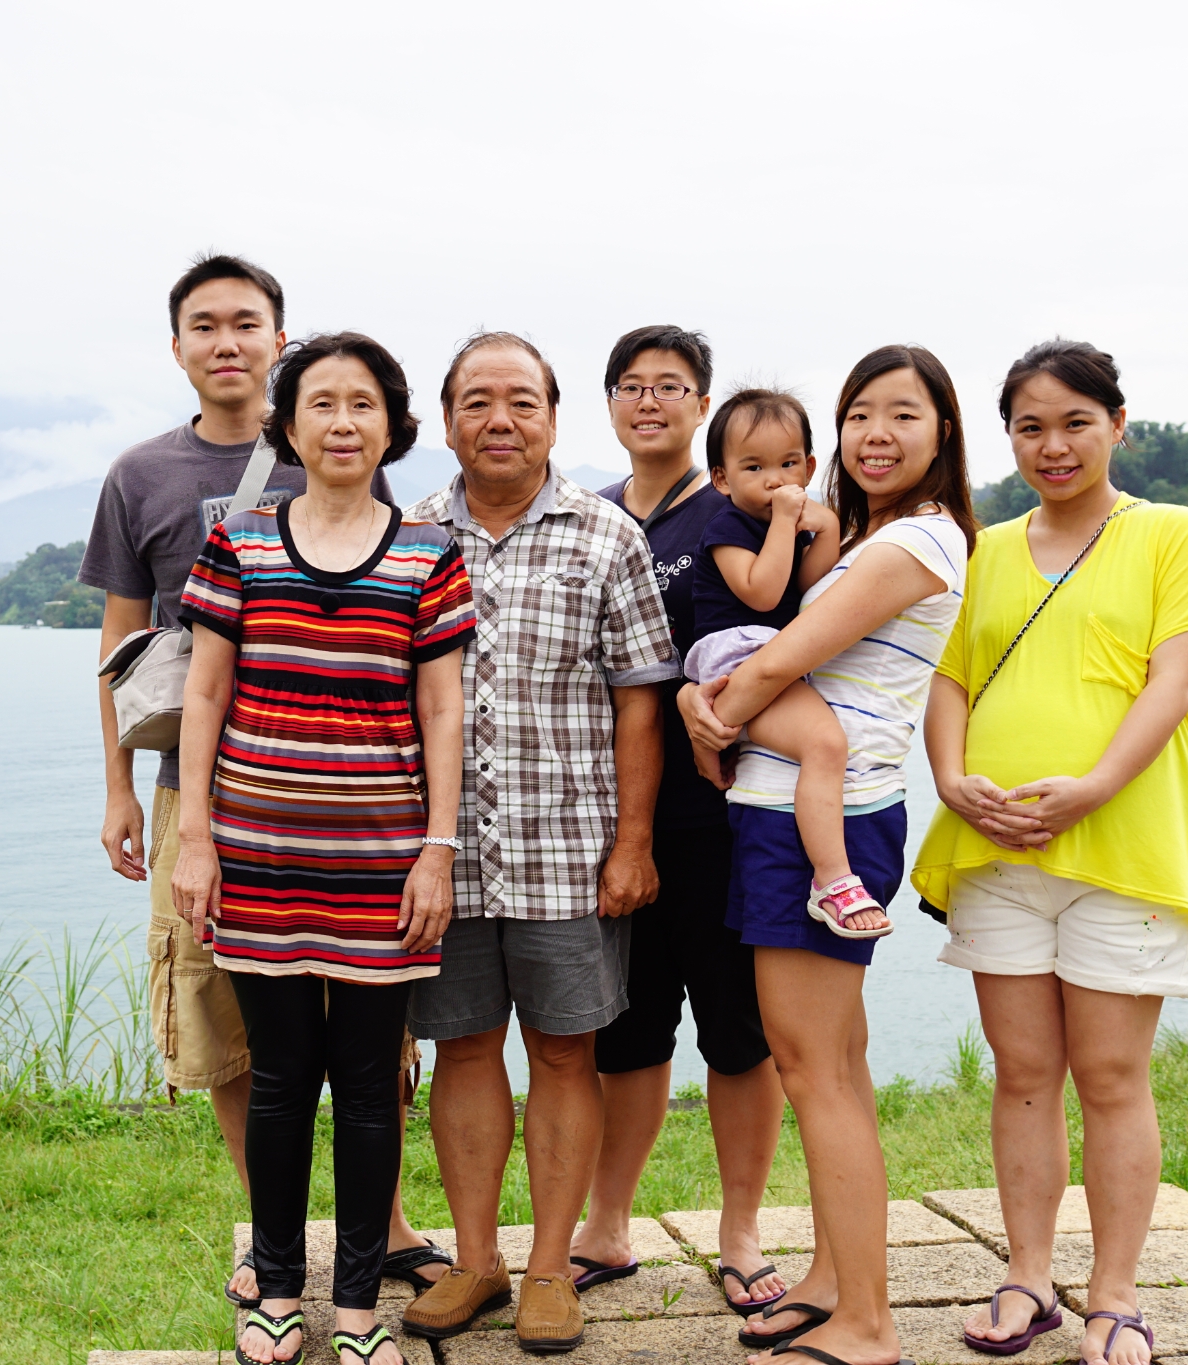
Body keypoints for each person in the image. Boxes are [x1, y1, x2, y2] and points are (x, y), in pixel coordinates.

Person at [76, 255, 430, 1310]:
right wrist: (118, 787)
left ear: (280, 341)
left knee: (368, 1023)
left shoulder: (338, 445)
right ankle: (267, 1227)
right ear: (176, 346)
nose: (224, 342)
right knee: (225, 1016)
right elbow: (119, 644)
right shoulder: (140, 475)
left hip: (352, 799)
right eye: (204, 325)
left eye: (245, 323)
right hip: (199, 792)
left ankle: (385, 1223)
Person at [913, 340, 1188, 1365]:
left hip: (1125, 848)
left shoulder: (1170, 533)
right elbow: (950, 679)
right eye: (1029, 427)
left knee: (1111, 1075)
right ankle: (1027, 1277)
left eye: (1074, 423)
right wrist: (950, 777)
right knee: (1022, 1072)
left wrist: (1090, 788)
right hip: (997, 849)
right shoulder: (985, 549)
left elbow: (1171, 681)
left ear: (1116, 426)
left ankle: (1114, 1295)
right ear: (1006, 436)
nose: (1052, 445)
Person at [171, 331, 475, 1365]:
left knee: (370, 1085)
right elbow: (205, 693)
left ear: (392, 425)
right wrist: (195, 840)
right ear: (289, 426)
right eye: (321, 404)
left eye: (362, 404)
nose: (342, 423)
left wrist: (436, 851)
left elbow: (442, 710)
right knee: (279, 1079)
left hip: (383, 865)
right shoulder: (242, 543)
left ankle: (352, 1306)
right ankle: (275, 1290)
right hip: (259, 858)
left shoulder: (429, 553)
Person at [683, 345, 978, 1365]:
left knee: (811, 1070)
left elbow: (781, 657)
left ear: (943, 431)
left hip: (818, 826)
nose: (875, 434)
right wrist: (706, 702)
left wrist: (704, 709)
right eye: (858, 415)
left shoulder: (917, 542)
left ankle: (867, 1324)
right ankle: (834, 1279)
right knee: (837, 1065)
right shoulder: (870, 536)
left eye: (902, 414)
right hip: (803, 813)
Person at [399, 332, 677, 1355]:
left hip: (569, 844)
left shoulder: (607, 536)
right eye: (477, 401)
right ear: (446, 422)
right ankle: (477, 1261)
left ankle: (551, 1267)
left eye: (521, 400)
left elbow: (639, 701)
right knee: (464, 1045)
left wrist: (633, 842)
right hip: (444, 853)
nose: (500, 420)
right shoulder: (409, 535)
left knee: (566, 1051)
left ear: (554, 417)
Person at [581, 327, 789, 1316]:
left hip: (723, 812)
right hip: (610, 817)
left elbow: (791, 631)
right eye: (631, 386)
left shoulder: (737, 506)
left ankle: (741, 1232)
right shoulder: (587, 517)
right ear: (609, 404)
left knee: (737, 1030)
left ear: (702, 405)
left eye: (670, 386)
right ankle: (606, 1225)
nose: (649, 401)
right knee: (625, 1029)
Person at [689, 388, 882, 937]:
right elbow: (764, 592)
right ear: (722, 478)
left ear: (810, 467)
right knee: (825, 744)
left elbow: (810, 585)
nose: (774, 480)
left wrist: (824, 525)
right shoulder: (726, 527)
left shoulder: (792, 521)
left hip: (771, 652)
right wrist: (784, 521)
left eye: (788, 464)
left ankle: (831, 874)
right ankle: (833, 879)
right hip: (736, 652)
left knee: (822, 744)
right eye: (754, 467)